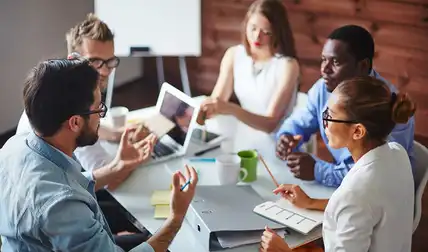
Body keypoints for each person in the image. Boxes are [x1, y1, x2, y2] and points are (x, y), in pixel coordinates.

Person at [0, 59, 199, 252]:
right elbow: (62, 199)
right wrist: (176, 218)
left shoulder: (16, 145)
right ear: (75, 123)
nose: (100, 118)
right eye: (99, 109)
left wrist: (119, 166)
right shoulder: (62, 207)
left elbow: (64, 185)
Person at [14, 14, 154, 250]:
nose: (105, 71)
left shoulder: (49, 96)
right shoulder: (75, 117)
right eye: (95, 62)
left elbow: (81, 178)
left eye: (110, 62)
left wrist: (116, 136)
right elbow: (102, 180)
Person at [260, 76, 416, 252]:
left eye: (329, 116)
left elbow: (357, 202)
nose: (323, 123)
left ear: (357, 131)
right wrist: (310, 202)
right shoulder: (397, 153)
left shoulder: (355, 193)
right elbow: (367, 208)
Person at [275, 25, 415, 188]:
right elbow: (300, 122)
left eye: (335, 61)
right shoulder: (323, 89)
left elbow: (375, 175)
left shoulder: (388, 107)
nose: (324, 70)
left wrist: (318, 171)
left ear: (362, 66)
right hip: (348, 190)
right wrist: (286, 136)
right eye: (323, 59)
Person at [199, 0, 299, 134]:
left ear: (277, 32)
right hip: (245, 135)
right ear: (245, 25)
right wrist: (204, 113)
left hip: (280, 141)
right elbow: (218, 101)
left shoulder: (288, 66)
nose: (257, 36)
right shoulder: (234, 54)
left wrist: (231, 109)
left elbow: (270, 124)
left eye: (266, 32)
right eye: (253, 28)